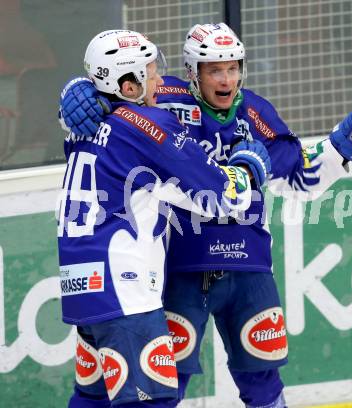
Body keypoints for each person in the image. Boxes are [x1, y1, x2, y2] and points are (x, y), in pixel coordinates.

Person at [59, 23, 352, 408]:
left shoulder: (256, 112)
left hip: (247, 265)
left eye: (233, 68)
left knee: (261, 378)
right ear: (191, 71)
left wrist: (341, 145)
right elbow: (113, 97)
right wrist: (75, 94)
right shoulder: (157, 99)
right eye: (214, 69)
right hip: (178, 271)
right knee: (161, 387)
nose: (226, 78)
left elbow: (298, 173)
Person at [57, 29, 271, 408]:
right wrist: (250, 168)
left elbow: (154, 178)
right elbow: (218, 196)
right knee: (150, 401)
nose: (158, 81)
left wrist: (77, 87)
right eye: (150, 73)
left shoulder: (82, 127)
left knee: (92, 399)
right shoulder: (145, 127)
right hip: (126, 292)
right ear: (127, 84)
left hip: (83, 288)